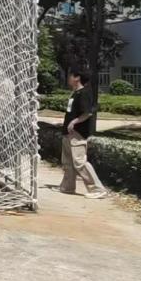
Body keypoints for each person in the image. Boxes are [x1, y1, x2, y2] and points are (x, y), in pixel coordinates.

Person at [59, 70, 108, 198]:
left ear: (77, 78)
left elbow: (87, 113)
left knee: (79, 162)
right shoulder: (75, 93)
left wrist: (74, 122)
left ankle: (97, 189)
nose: (68, 78)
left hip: (77, 133)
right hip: (68, 132)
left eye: (70, 75)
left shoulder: (84, 93)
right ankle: (68, 186)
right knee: (68, 161)